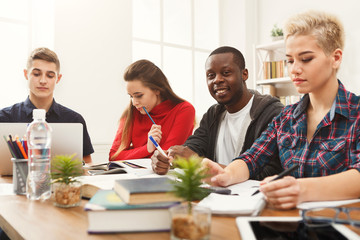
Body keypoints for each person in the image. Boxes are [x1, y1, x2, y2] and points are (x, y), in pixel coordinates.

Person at [204, 10, 360, 210]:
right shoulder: (286, 117)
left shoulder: (356, 113)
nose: (294, 69)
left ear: (335, 58)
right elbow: (252, 158)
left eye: (305, 59)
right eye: (290, 60)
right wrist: (226, 174)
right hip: (288, 224)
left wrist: (302, 189)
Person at [151, 46, 284, 180]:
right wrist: (168, 158)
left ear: (244, 74)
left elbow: (271, 173)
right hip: (214, 191)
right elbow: (193, 147)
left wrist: (198, 162)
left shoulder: (272, 113)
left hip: (250, 196)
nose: (217, 80)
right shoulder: (213, 114)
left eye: (226, 73)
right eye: (211, 75)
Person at [0, 47, 94, 164]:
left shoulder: (74, 120)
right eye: (36, 74)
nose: (43, 81)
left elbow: (87, 163)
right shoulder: (4, 118)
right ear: (26, 74)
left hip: (63, 182)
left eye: (50, 75)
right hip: (12, 182)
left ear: (58, 78)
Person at [109, 59, 195, 161]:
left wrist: (134, 153)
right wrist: (147, 148)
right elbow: (114, 156)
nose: (134, 102)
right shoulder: (132, 111)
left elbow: (165, 158)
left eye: (139, 96)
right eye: (131, 96)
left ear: (157, 90)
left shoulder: (184, 110)